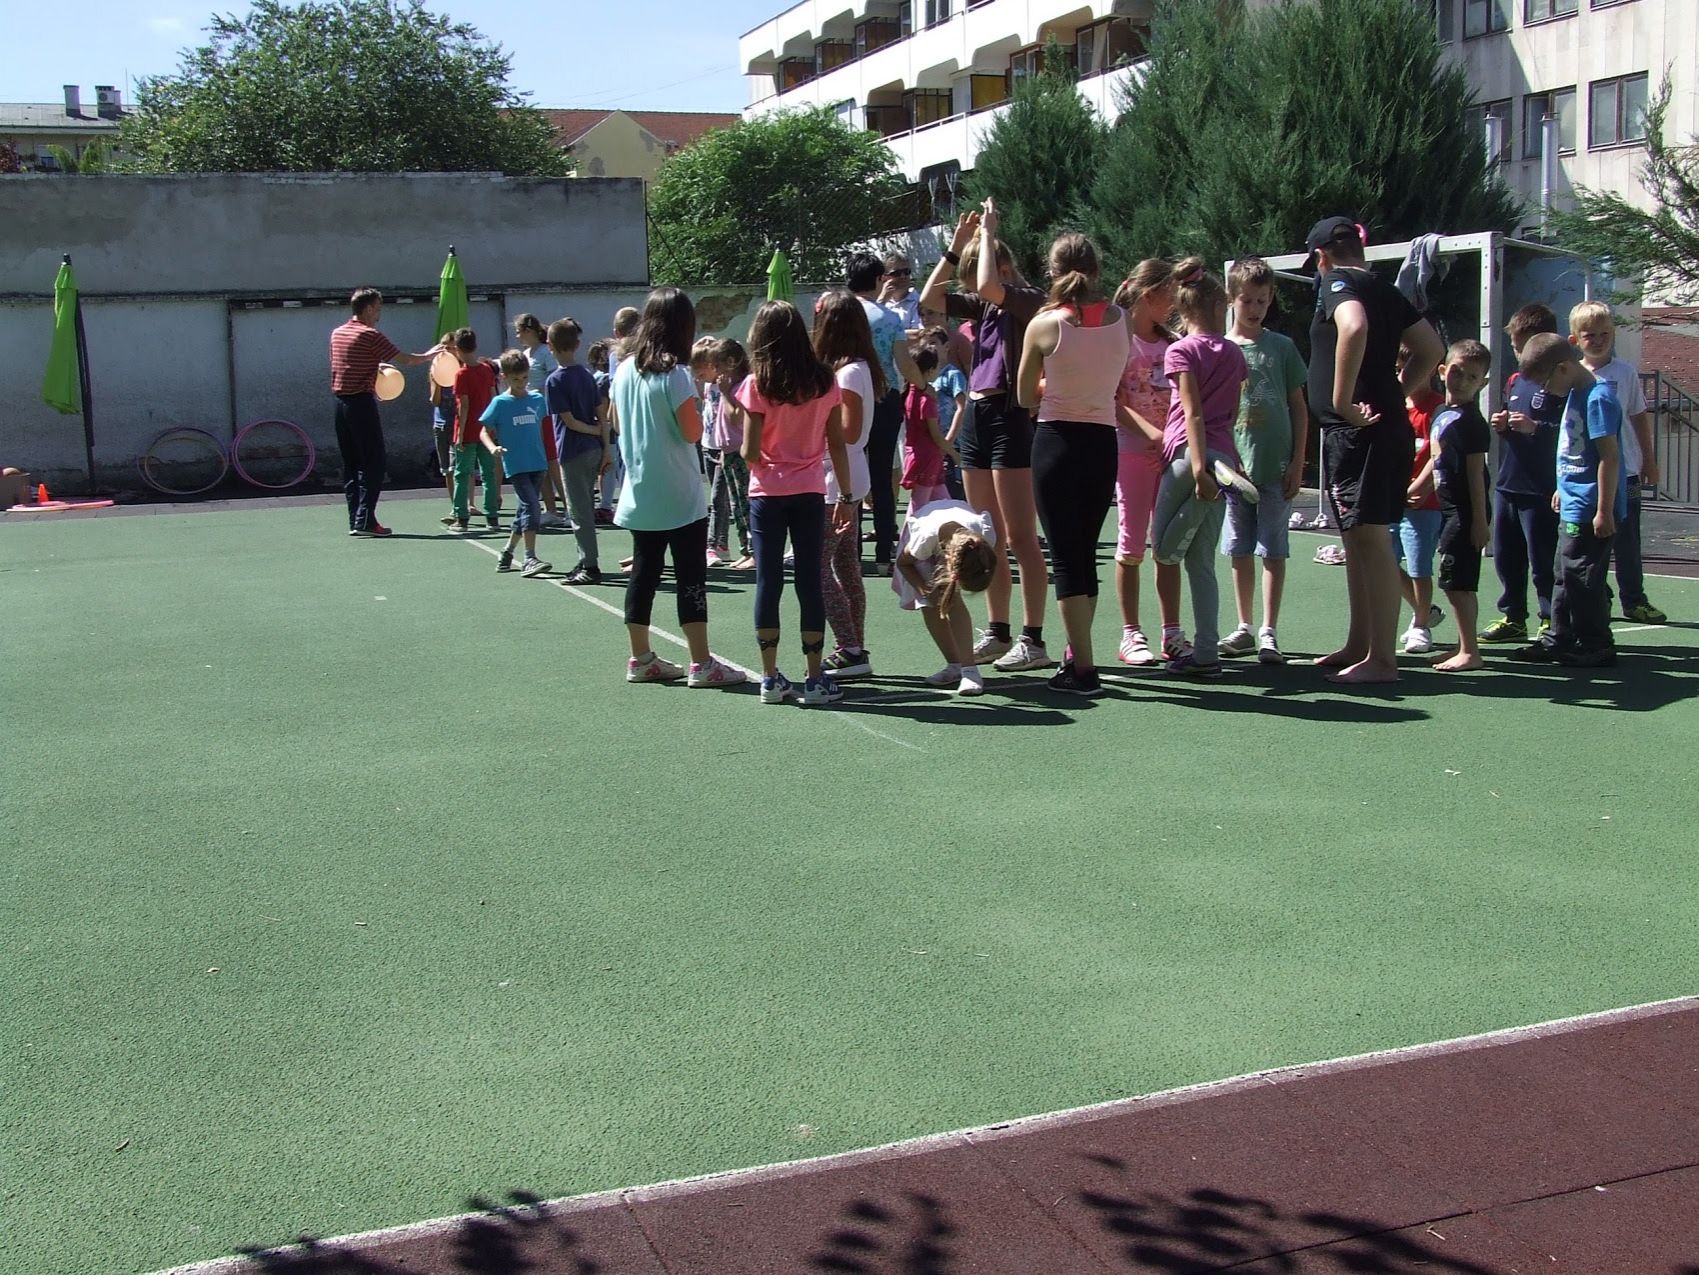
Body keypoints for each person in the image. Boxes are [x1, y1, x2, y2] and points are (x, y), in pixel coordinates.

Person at [1304, 215, 1444, 684]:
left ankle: (1383, 660)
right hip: (1373, 429)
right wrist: (1397, 391)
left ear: (1321, 257)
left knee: (1370, 538)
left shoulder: (1338, 282)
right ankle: (1360, 644)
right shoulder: (1384, 288)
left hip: (1359, 432)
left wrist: (1343, 400)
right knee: (1357, 538)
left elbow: (1354, 326)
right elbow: (1431, 348)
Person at [918, 203, 1054, 673]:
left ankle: (1033, 639)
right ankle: (998, 633)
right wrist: (956, 247)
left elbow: (989, 286)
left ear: (1003, 267)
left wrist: (990, 234)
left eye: (977, 273)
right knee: (986, 532)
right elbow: (930, 298)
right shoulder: (984, 305)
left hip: (1009, 418)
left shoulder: (1029, 299)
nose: (972, 287)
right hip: (978, 415)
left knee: (1021, 537)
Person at [611, 288, 745, 689]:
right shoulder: (675, 374)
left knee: (644, 573)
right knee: (690, 577)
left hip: (640, 490)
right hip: (679, 493)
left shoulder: (625, 369)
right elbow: (691, 432)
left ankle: (640, 658)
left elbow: (616, 422)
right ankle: (702, 663)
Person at [1015, 232, 1130, 696]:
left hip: (1057, 444)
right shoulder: (1121, 318)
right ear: (1097, 269)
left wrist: (1052, 382)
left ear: (1052, 271)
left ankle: (1083, 669)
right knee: (1083, 554)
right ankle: (1076, 655)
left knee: (1065, 558)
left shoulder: (1044, 325)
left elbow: (1024, 394)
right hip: (1102, 445)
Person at [737, 300, 854, 706]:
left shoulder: (757, 384)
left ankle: (770, 677)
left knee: (768, 581)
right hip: (810, 491)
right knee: (809, 581)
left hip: (767, 493)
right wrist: (847, 495)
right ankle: (815, 677)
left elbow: (750, 451)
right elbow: (837, 443)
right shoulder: (825, 381)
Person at [1147, 259, 1252, 680]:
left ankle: (1206, 494)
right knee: (1202, 564)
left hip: (1187, 456)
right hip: (1223, 454)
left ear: (1181, 307)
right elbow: (1233, 411)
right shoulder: (1233, 352)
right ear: (1221, 306)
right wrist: (1229, 461)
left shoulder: (1181, 350)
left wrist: (1198, 469)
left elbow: (1192, 413)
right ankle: (1207, 652)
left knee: (1162, 550)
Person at [1508, 334, 1624, 668]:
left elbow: (1608, 457)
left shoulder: (1598, 398)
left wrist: (1603, 510)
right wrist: (1562, 487)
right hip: (1573, 502)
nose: (1544, 391)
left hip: (1590, 507)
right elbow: (1574, 451)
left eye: (1545, 382)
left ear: (1563, 368)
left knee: (1583, 576)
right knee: (1563, 572)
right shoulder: (1575, 393)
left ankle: (1596, 643)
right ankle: (1558, 638)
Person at [1218, 256, 1308, 665]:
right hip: (1235, 470)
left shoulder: (1282, 347)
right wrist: (1223, 460)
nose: (1254, 308)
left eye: (1262, 300)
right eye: (1247, 300)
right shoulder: (1222, 349)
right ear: (1231, 299)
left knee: (1273, 549)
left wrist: (1298, 461)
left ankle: (1269, 631)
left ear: (1271, 298)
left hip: (1275, 468)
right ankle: (1245, 627)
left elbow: (1299, 407)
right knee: (1239, 549)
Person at [1570, 301, 1665, 624]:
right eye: (1590, 335)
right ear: (1575, 339)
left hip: (1627, 473)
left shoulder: (1625, 373)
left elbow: (1638, 417)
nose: (1598, 341)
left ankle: (1634, 600)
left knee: (1627, 540)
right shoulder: (1572, 375)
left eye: (1604, 334)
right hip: (1585, 476)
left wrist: (1649, 461)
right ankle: (1599, 596)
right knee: (1589, 541)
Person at [1482, 304, 1564, 644]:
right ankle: (1513, 616)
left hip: (1540, 488)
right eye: (1515, 348)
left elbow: (1567, 434)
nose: (1517, 355)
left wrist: (1536, 428)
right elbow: (1514, 425)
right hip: (1509, 482)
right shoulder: (1515, 381)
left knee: (1542, 559)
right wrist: (1503, 425)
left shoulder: (1560, 385)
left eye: (1521, 347)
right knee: (1506, 556)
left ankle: (1550, 618)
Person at [811, 291, 883, 679]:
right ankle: (855, 645)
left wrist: (810, 429)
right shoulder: (854, 369)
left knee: (818, 568)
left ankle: (850, 647)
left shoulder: (849, 373)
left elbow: (850, 433)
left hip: (837, 480)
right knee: (844, 566)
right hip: (845, 477)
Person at [328, 287, 439, 537]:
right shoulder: (370, 334)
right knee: (374, 462)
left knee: (352, 463)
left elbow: (346, 363)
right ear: (368, 309)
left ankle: (356, 519)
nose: (379, 314)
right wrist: (429, 356)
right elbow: (406, 359)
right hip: (360, 404)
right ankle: (366, 521)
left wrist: (374, 370)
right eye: (378, 309)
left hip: (340, 404)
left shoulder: (338, 333)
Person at [1111, 259, 1177, 667]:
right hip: (1132, 454)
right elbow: (1115, 402)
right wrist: (1154, 436)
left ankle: (1173, 632)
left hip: (1171, 458)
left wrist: (1173, 440)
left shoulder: (1174, 344)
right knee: (1131, 544)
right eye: (1169, 297)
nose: (1174, 305)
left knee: (1167, 545)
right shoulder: (1118, 341)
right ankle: (1131, 633)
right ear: (1149, 295)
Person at [848, 251, 927, 574]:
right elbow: (904, 363)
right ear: (879, 279)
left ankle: (851, 551)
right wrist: (923, 384)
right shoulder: (889, 318)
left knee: (850, 472)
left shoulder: (837, 312)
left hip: (848, 396)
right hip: (884, 398)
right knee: (881, 476)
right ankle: (883, 553)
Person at [1426, 340, 1493, 672]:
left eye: (1472, 377)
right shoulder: (1442, 413)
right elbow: (1436, 456)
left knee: (1457, 584)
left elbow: (1476, 473)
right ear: (1442, 371)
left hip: (1465, 513)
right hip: (1447, 508)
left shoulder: (1472, 423)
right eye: (1457, 372)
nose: (1463, 381)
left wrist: (1479, 521)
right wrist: (1416, 487)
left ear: (1482, 383)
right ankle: (1463, 645)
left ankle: (1470, 652)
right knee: (1456, 582)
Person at [893, 499, 1000, 696]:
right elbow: (903, 563)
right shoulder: (923, 540)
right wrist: (924, 589)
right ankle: (955, 664)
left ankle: (970, 670)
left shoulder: (984, 538)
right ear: (949, 562)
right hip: (925, 528)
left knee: (952, 600)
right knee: (930, 603)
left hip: (953, 525)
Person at [544, 318, 609, 584]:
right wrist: (604, 445)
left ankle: (590, 566)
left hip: (573, 451)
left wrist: (594, 432)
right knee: (585, 506)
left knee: (579, 511)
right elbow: (601, 413)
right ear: (578, 344)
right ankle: (585, 559)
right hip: (593, 449)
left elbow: (569, 421)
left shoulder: (554, 380)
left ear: (550, 346)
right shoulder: (586, 375)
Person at [480, 350, 553, 578]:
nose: (521, 383)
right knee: (532, 507)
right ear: (504, 377)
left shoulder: (537, 400)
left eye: (524, 378)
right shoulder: (500, 403)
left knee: (524, 510)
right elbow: (483, 431)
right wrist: (493, 448)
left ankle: (507, 552)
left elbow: (542, 429)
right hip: (517, 465)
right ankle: (529, 558)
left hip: (537, 463)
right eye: (515, 379)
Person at [1393, 343, 1445, 655]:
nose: (1406, 376)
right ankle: (1424, 610)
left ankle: (1421, 625)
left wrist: (1422, 485)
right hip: (1392, 500)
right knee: (1385, 561)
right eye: (1400, 370)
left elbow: (1439, 453)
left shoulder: (1437, 407)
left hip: (1423, 503)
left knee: (1418, 567)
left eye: (1413, 368)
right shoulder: (1394, 404)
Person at [514, 313, 567, 527]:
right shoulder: (526, 354)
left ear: (529, 331)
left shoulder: (545, 352)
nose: (517, 336)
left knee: (552, 462)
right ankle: (551, 510)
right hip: (530, 416)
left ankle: (570, 509)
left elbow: (554, 382)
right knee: (540, 462)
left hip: (545, 415)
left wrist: (536, 394)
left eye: (519, 331)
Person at [449, 327, 503, 534]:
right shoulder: (486, 370)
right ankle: (492, 517)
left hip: (469, 431)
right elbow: (493, 397)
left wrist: (460, 434)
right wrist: (493, 425)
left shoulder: (461, 374)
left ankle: (461, 517)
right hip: (486, 431)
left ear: (457, 349)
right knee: (488, 474)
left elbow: (463, 405)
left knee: (462, 474)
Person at [712, 339, 756, 571]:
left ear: (730, 362)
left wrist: (725, 394)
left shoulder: (742, 386)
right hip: (729, 453)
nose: (716, 372)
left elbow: (737, 417)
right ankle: (745, 549)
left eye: (718, 366)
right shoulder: (729, 387)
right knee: (736, 504)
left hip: (741, 453)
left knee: (746, 503)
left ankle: (755, 550)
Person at [692, 337, 734, 567]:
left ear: (712, 365)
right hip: (707, 445)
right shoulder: (708, 385)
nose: (698, 376)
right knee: (720, 499)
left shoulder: (727, 382)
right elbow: (701, 395)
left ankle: (711, 545)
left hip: (722, 448)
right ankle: (722, 544)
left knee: (717, 497)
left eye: (701, 370)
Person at [902, 347, 957, 508]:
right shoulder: (926, 399)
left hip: (925, 456)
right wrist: (955, 454)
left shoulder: (911, 394)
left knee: (946, 504)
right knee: (918, 508)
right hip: (927, 458)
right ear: (930, 370)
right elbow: (936, 436)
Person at [925, 326, 969, 500]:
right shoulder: (924, 376)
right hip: (930, 444)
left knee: (953, 494)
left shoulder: (953, 375)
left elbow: (962, 408)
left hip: (951, 445)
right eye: (926, 344)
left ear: (947, 346)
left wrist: (948, 442)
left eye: (933, 343)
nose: (930, 347)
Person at [588, 339, 618, 524]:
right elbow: (605, 408)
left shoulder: (593, 377)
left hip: (596, 428)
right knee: (609, 467)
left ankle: (603, 504)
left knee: (603, 469)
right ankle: (605, 505)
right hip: (606, 430)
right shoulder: (605, 379)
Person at [879, 253, 922, 330]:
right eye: (896, 273)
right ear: (884, 278)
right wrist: (881, 301)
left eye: (906, 271)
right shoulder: (879, 303)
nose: (903, 276)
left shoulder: (919, 301)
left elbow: (919, 333)